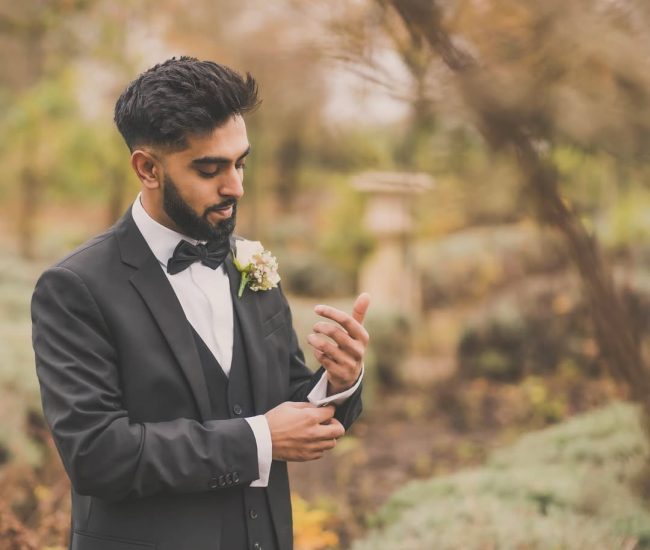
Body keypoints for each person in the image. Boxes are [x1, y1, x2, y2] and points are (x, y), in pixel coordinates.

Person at [31, 56, 370, 550]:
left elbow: (285, 406)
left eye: (240, 163)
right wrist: (258, 440)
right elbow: (97, 456)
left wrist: (339, 382)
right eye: (210, 169)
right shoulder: (74, 288)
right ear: (147, 167)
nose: (235, 186)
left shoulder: (251, 265)